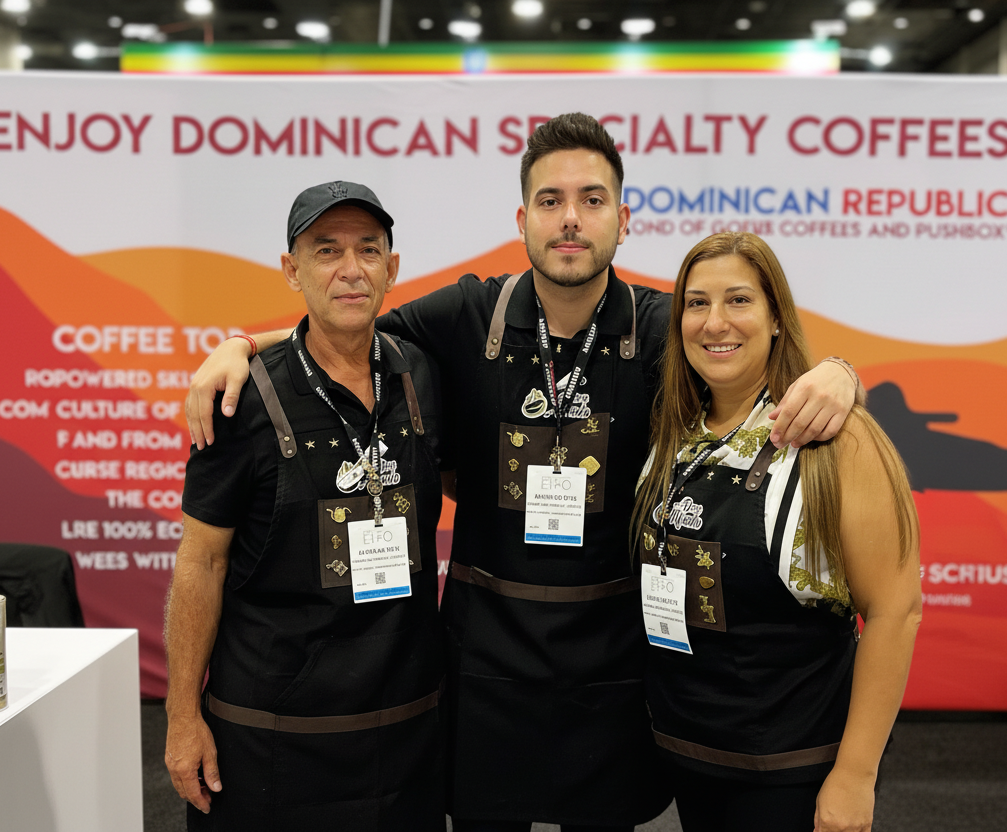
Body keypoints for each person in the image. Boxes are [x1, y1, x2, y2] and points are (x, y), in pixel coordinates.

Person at [183, 114, 862, 830]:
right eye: (550, 201)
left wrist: (842, 375)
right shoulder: (466, 314)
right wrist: (240, 345)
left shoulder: (666, 330)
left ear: (623, 219)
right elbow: (343, 324)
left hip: (612, 668)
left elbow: (758, 364)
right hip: (484, 669)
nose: (571, 220)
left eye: (592, 200)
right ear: (522, 219)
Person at [163, 181, 447, 831]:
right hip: (270, 741)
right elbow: (200, 563)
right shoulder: (240, 401)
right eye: (326, 251)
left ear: (392, 268)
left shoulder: (422, 376)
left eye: (368, 250)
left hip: (402, 740)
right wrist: (182, 718)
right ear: (291, 270)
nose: (351, 269)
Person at [632, 231, 922, 832]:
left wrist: (855, 775)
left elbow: (896, 610)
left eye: (738, 300)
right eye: (696, 303)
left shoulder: (838, 440)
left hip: (793, 771)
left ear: (776, 320)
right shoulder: (673, 431)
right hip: (691, 757)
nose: (715, 323)